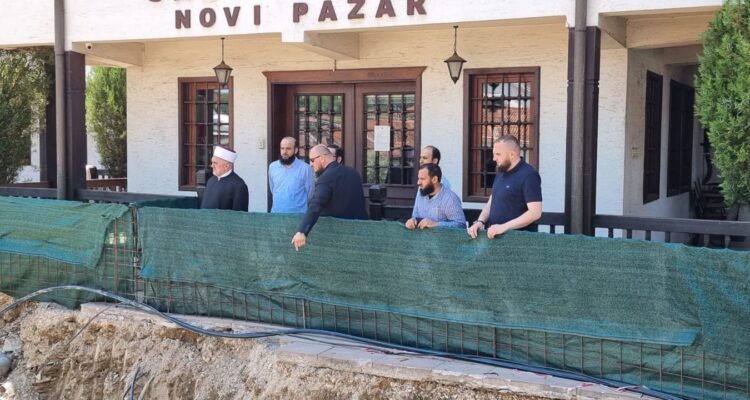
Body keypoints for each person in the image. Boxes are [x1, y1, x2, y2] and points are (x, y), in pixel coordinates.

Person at [291, 145, 368, 250]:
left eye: (312, 160)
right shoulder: (353, 172)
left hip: (337, 237)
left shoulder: (325, 178)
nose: (311, 165)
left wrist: (302, 231)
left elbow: (315, 205)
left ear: (322, 158)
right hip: (359, 233)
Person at [467, 135, 542, 239]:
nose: (494, 158)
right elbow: (492, 201)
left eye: (498, 154)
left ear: (512, 154)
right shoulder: (501, 172)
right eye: (494, 154)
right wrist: (480, 221)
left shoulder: (529, 175)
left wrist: (504, 227)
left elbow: (535, 213)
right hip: (494, 239)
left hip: (519, 242)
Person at [405, 163, 466, 229]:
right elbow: (415, 216)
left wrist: (436, 224)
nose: (418, 182)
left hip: (442, 236)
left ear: (434, 179)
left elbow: (461, 225)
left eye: (422, 179)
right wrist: (412, 221)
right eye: (418, 178)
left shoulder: (450, 198)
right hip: (421, 235)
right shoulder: (421, 193)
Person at [269, 137, 315, 213]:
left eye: (288, 149)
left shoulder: (305, 168)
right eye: (282, 148)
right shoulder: (272, 167)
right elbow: (273, 189)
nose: (284, 152)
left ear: (295, 150)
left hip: (298, 215)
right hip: (276, 214)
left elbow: (310, 193)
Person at [200, 146, 249, 212]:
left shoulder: (239, 185)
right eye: (212, 162)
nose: (212, 166)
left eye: (215, 163)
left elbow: (240, 215)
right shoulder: (211, 180)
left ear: (226, 166)